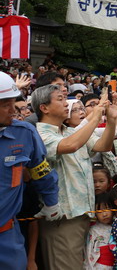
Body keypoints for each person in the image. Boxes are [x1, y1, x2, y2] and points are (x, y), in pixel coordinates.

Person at [35, 86, 117, 269]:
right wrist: (96, 114)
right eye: (60, 99)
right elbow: (70, 146)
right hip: (63, 218)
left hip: (82, 214)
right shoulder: (40, 134)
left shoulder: (70, 131)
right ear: (44, 108)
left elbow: (103, 145)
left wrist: (110, 120)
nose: (66, 103)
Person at [0, 72, 60, 270]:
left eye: (13, 102)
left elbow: (40, 171)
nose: (13, 110)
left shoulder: (24, 133)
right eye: (5, 104)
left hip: (8, 238)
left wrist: (51, 203)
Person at [85, 193, 115, 270]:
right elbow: (89, 252)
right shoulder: (93, 230)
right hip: (99, 266)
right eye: (99, 211)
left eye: (107, 208)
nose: (104, 214)